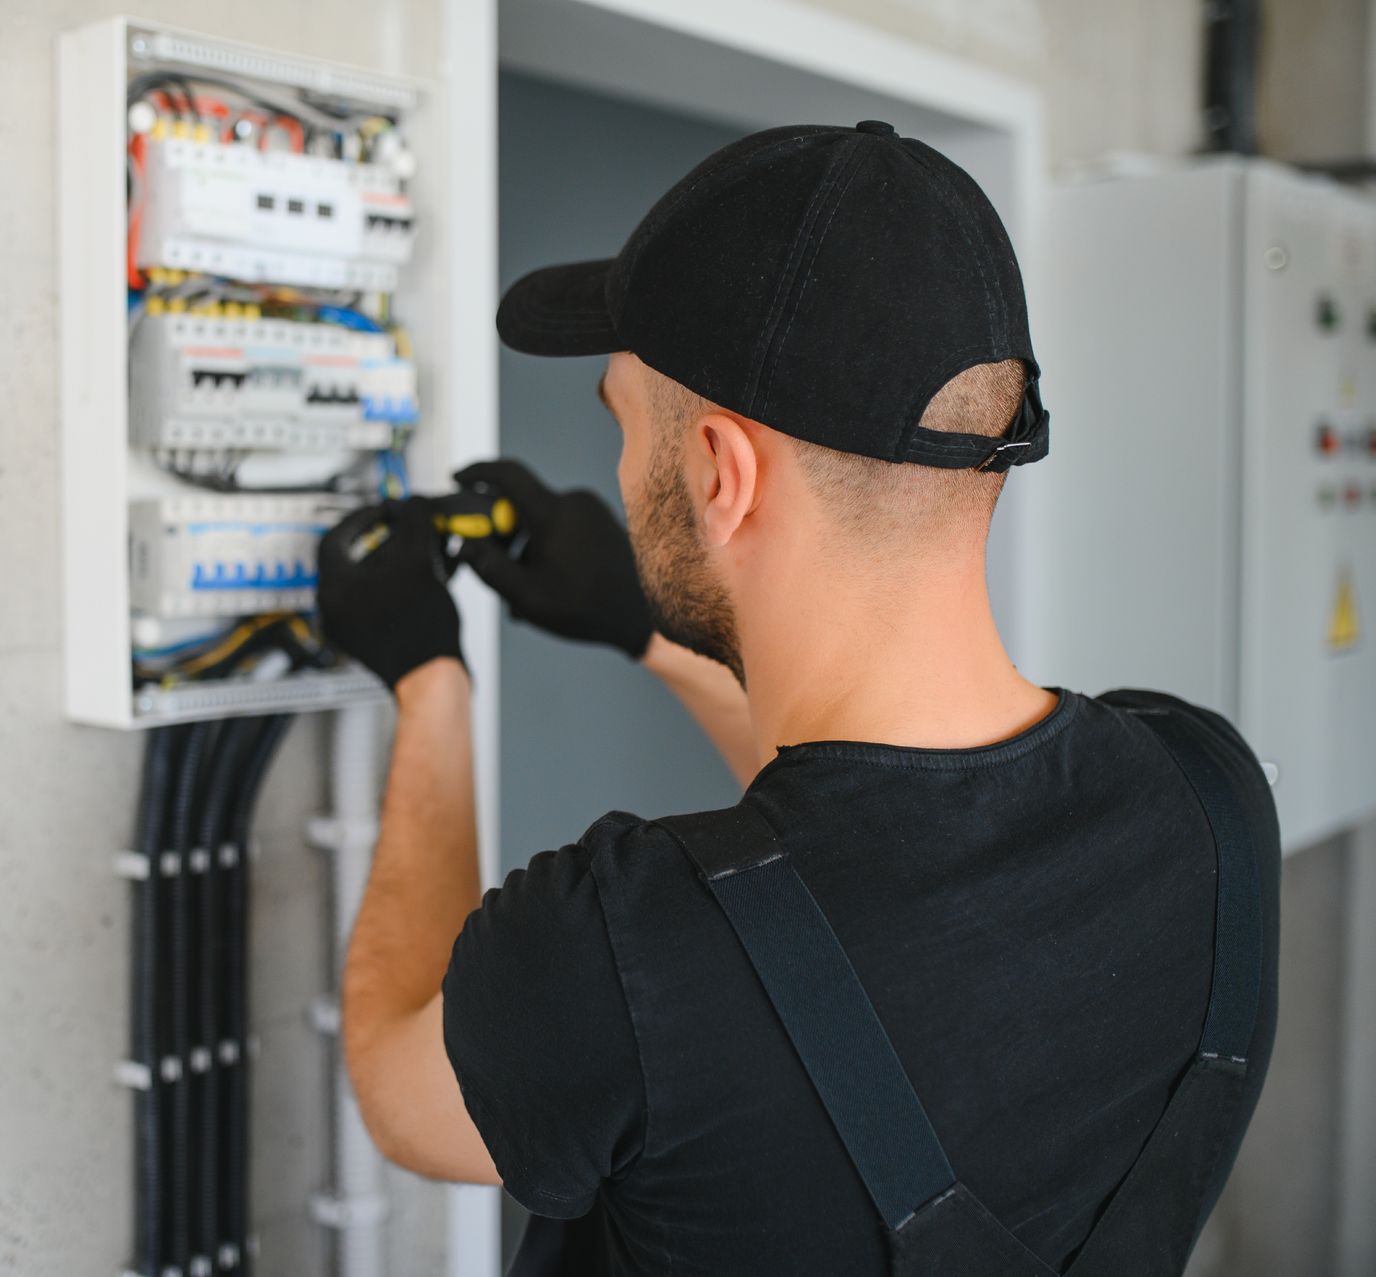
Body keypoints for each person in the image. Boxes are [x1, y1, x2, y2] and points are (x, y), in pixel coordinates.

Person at [314, 122, 1280, 1276]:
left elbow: (393, 1081)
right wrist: (649, 629)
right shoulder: (1210, 796)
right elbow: (834, 866)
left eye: (622, 425)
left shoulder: (616, 954)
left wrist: (429, 682)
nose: (621, 478)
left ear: (722, 473)